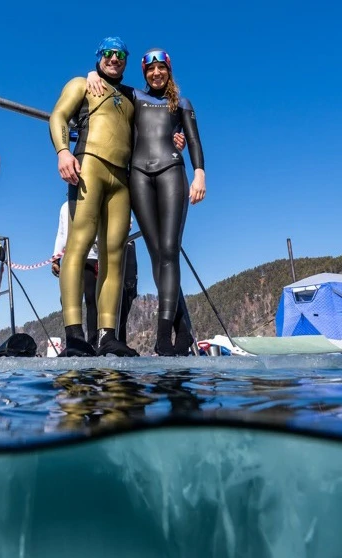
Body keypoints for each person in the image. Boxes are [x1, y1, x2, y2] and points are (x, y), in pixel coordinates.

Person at [87, 48, 205, 355]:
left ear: (168, 70)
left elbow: (193, 139)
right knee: (156, 255)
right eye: (150, 70)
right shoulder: (135, 97)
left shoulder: (181, 104)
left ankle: (163, 334)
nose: (156, 73)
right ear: (145, 73)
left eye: (161, 68)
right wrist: (91, 73)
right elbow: (108, 79)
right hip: (138, 175)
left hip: (171, 171)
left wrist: (200, 174)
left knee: (169, 251)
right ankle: (183, 330)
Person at [48, 36, 139, 357]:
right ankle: (74, 335)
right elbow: (58, 116)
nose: (115, 58)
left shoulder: (131, 97)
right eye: (109, 53)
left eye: (121, 54)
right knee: (79, 244)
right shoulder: (82, 83)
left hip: (122, 178)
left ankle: (106, 335)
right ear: (99, 56)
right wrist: (63, 151)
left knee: (115, 255)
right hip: (89, 164)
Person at [52, 200, 100, 348]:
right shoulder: (64, 206)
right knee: (67, 299)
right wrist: (55, 258)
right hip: (70, 257)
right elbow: (61, 233)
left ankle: (93, 342)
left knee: (91, 298)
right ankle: (74, 340)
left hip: (91, 255)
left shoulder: (94, 200)